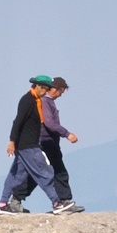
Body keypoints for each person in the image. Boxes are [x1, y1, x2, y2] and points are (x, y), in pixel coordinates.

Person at [0, 76, 64, 214]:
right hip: (28, 146)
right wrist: (12, 141)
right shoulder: (27, 101)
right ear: (37, 86)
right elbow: (18, 122)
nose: (45, 92)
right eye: (44, 88)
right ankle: (56, 202)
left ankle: (2, 204)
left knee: (14, 176)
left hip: (26, 146)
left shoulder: (36, 101)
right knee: (44, 172)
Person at [42, 77, 86, 215]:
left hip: (49, 142)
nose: (60, 95)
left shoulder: (47, 102)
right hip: (47, 143)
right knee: (60, 172)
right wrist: (67, 134)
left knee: (36, 174)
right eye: (61, 92)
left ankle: (16, 199)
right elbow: (49, 123)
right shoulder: (45, 102)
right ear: (57, 89)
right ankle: (65, 200)